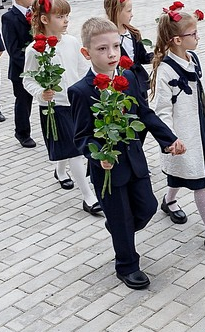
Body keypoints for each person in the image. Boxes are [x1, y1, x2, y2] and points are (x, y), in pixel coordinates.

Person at [69, 17, 185, 289]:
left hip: (134, 161)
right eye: (101, 49)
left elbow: (143, 113)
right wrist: (99, 154)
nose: (111, 54)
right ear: (86, 53)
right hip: (107, 170)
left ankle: (120, 230)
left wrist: (168, 138)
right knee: (121, 219)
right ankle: (127, 264)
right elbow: (81, 137)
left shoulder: (129, 77)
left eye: (115, 47)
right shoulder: (81, 91)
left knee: (147, 208)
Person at [150, 6, 205, 255]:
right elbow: (161, 109)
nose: (198, 38)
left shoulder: (194, 58)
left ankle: (168, 201)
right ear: (177, 40)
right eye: (194, 34)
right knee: (200, 180)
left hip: (200, 131)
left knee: (187, 173)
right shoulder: (165, 70)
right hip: (182, 137)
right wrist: (170, 138)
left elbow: (202, 91)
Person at [22, 0, 99, 212]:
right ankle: (88, 196)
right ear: (45, 20)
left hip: (75, 103)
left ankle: (60, 170)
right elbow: (28, 79)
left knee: (70, 145)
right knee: (74, 149)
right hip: (54, 107)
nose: (66, 21)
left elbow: (84, 70)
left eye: (67, 16)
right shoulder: (34, 50)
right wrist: (40, 93)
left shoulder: (72, 42)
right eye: (60, 17)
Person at [1, 0, 42, 148]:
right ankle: (22, 133)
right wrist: (30, 67)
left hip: (42, 65)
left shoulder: (38, 13)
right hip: (21, 69)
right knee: (23, 101)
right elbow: (13, 49)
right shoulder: (9, 18)